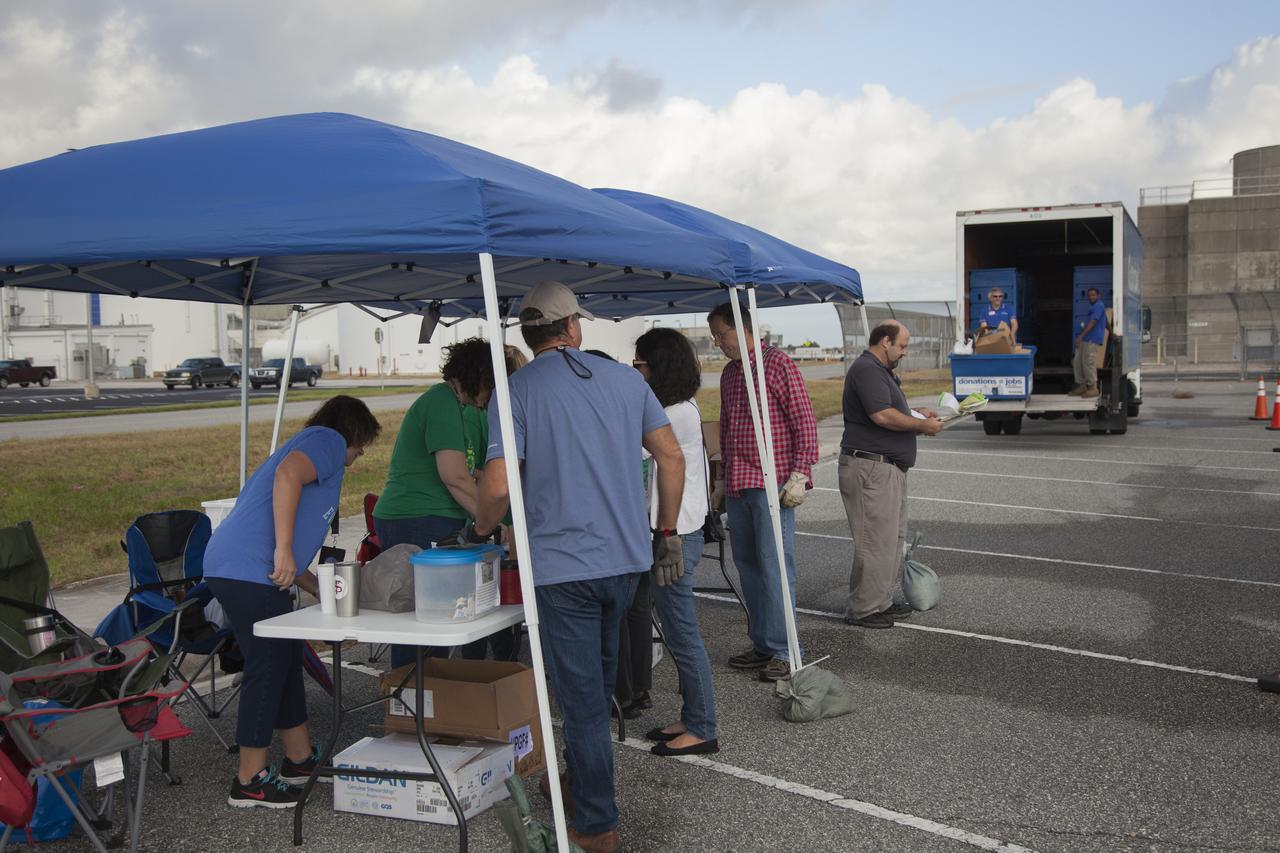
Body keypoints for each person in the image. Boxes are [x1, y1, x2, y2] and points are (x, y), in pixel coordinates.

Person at [467, 280, 686, 853]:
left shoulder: (514, 392)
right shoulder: (625, 380)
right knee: (597, 689)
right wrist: (666, 532)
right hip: (627, 562)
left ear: (529, 333)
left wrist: (483, 527)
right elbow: (672, 455)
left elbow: (496, 484)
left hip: (564, 571)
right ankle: (582, 782)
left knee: (582, 700)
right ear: (571, 328)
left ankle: (595, 824)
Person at [203, 395, 381, 808]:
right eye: (362, 444)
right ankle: (249, 779)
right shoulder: (327, 441)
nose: (360, 454)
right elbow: (288, 477)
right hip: (249, 571)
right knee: (266, 667)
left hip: (241, 567)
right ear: (352, 431)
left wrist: (310, 581)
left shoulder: (313, 442)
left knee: (282, 659)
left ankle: (299, 759)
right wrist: (284, 549)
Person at [373, 338, 523, 666]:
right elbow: (455, 476)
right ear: (481, 376)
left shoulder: (457, 406)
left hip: (430, 515)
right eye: (492, 387)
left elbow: (470, 472)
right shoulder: (441, 402)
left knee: (441, 616)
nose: (491, 399)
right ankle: (413, 701)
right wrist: (492, 521)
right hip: (415, 517)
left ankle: (435, 698)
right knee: (425, 621)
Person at [707, 299, 817, 683]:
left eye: (722, 334)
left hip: (772, 485)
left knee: (775, 568)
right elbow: (727, 428)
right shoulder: (730, 373)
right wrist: (720, 479)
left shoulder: (777, 363)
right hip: (739, 483)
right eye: (715, 336)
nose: (719, 342)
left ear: (742, 326)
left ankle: (786, 650)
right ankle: (764, 643)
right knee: (750, 567)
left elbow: (804, 421)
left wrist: (801, 473)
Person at [632, 327, 719, 758]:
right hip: (676, 529)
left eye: (640, 364)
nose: (636, 371)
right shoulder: (679, 407)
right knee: (676, 628)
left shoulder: (674, 413)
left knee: (683, 633)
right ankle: (692, 715)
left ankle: (703, 725)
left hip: (675, 534)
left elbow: (636, 451)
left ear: (658, 366)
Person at [840, 321, 942, 629]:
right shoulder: (867, 369)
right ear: (885, 341)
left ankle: (879, 601)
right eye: (902, 346)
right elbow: (882, 415)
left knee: (889, 540)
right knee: (874, 541)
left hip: (885, 468)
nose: (905, 352)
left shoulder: (879, 371)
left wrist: (916, 413)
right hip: (872, 468)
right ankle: (864, 608)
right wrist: (922, 426)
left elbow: (890, 409)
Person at [1070, 287, 1107, 399]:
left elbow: (1094, 322)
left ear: (1098, 296)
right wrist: (1112, 333)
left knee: (1088, 363)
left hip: (1091, 340)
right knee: (1077, 362)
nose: (1091, 297)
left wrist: (1080, 336)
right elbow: (1105, 320)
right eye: (1089, 295)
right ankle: (1082, 386)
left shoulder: (1099, 306)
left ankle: (1093, 388)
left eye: (1093, 295)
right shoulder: (1096, 307)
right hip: (1086, 340)